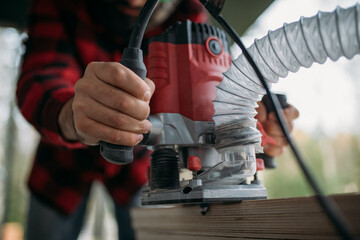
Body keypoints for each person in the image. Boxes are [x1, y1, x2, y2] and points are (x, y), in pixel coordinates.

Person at [16, 0, 299, 239]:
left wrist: (250, 117)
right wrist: (71, 114)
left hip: (144, 163)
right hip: (60, 165)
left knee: (154, 228)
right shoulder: (59, 3)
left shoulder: (188, 8)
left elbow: (214, 84)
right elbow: (40, 79)